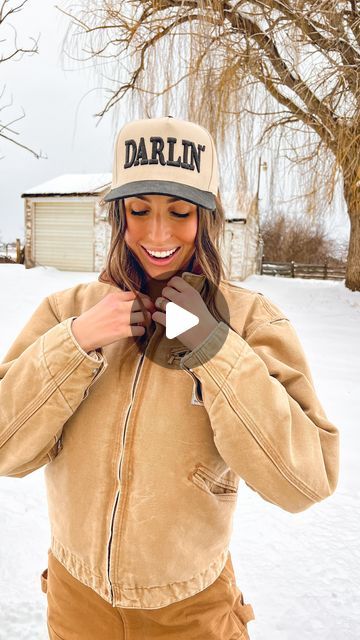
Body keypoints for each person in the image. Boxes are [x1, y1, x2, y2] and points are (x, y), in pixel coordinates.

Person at [0, 116, 340, 640]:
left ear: (207, 219)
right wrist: (76, 341)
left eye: (180, 213)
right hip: (75, 605)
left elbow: (305, 480)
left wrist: (215, 348)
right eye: (139, 211)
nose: (158, 235)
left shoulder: (252, 321)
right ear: (118, 216)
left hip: (190, 614)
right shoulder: (65, 311)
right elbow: (6, 448)